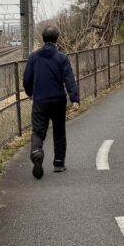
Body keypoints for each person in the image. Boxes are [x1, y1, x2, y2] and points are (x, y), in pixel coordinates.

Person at [22, 27, 80, 179]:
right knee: (59, 130)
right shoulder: (62, 57)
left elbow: (27, 78)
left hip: (40, 99)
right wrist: (74, 99)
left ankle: (36, 151)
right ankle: (59, 163)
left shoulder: (34, 57)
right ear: (57, 39)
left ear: (43, 39)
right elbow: (69, 79)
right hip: (58, 99)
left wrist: (29, 92)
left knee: (38, 130)